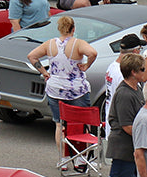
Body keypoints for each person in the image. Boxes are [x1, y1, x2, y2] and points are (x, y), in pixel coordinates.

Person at [88, 52, 147, 177]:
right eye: (142, 69)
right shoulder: (124, 93)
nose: (145, 72)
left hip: (130, 147)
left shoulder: (136, 88)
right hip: (123, 147)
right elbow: (127, 125)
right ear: (133, 72)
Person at [28, 15, 96, 166]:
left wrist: (44, 72)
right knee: (82, 122)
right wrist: (86, 65)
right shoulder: (78, 44)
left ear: (59, 29)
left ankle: (63, 159)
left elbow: (32, 56)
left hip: (55, 88)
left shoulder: (50, 44)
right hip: (76, 89)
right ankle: (80, 157)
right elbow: (93, 53)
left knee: (59, 124)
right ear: (73, 29)